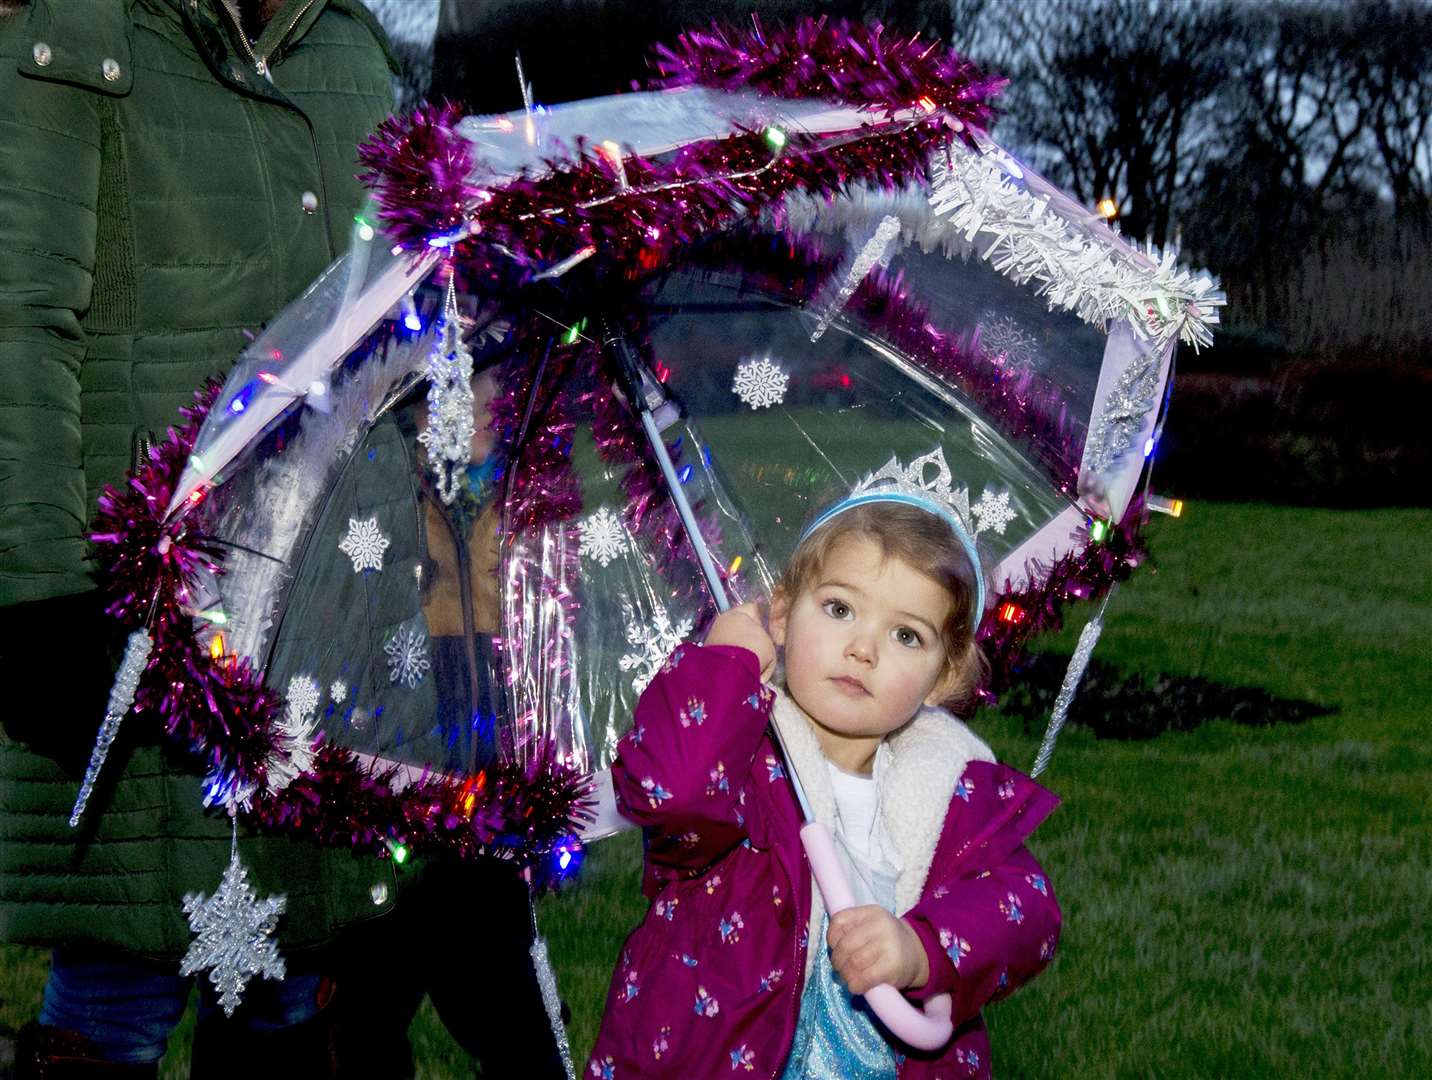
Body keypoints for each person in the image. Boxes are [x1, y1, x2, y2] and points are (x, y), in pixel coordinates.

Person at [0, 0, 404, 1073]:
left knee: (290, 975)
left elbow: (385, 312)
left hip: (316, 601)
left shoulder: (349, 51)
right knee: (119, 980)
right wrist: (34, 590)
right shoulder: (74, 37)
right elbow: (16, 320)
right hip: (135, 606)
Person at [587, 480, 1062, 1078]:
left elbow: (1028, 911)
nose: (863, 648)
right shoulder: (738, 752)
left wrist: (921, 951)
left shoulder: (952, 790)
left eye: (906, 634)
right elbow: (668, 790)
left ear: (945, 675)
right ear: (782, 615)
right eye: (840, 609)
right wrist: (722, 669)